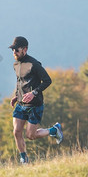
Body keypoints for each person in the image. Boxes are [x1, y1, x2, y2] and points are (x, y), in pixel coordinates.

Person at [9, 36, 63, 164]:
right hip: (21, 104)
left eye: (17, 50)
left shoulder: (34, 64)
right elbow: (20, 82)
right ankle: (24, 158)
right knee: (16, 132)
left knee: (31, 136)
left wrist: (34, 93)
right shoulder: (16, 65)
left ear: (25, 49)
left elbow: (47, 81)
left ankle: (54, 130)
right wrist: (17, 96)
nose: (14, 53)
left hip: (35, 105)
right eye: (12, 50)